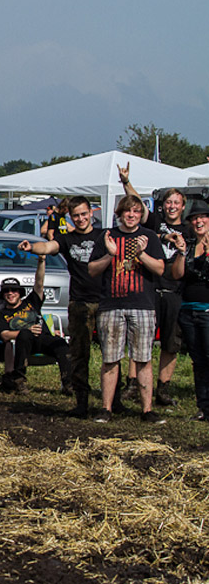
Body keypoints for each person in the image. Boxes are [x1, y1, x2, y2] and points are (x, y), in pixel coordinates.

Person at [19, 196, 105, 417]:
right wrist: (32, 248)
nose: (81, 219)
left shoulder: (103, 236)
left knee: (110, 354)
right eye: (76, 216)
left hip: (106, 301)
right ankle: (81, 401)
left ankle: (110, 402)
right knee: (79, 353)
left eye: (84, 214)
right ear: (71, 217)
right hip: (79, 302)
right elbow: (49, 245)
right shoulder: (67, 239)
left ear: (91, 213)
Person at [88, 194, 166, 424]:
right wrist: (109, 256)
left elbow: (160, 269)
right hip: (111, 305)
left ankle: (147, 410)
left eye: (136, 212)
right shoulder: (107, 236)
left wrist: (141, 254)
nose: (131, 216)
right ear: (119, 214)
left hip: (142, 305)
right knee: (110, 359)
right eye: (127, 211)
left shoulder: (149, 237)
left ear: (140, 215)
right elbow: (92, 269)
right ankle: (106, 408)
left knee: (143, 358)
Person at [121, 166, 190, 407]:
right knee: (141, 339)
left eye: (176, 203)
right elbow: (137, 204)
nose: (172, 206)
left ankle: (163, 389)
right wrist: (126, 182)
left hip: (174, 291)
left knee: (172, 341)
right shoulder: (156, 223)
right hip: (149, 288)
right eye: (169, 202)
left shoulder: (190, 230)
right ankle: (132, 384)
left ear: (183, 206)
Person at [0, 270, 71, 395]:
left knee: (60, 343)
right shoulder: (1, 315)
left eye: (14, 290)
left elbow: (39, 283)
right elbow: (4, 334)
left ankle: (69, 383)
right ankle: (19, 381)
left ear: (20, 293)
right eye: (6, 291)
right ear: (3, 295)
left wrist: (41, 260)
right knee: (25, 334)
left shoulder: (31, 302)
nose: (10, 293)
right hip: (22, 344)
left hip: (43, 339)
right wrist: (26, 330)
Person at [169, 199, 209, 422]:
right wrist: (182, 253)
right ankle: (203, 407)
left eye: (202, 217)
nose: (198, 221)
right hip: (188, 309)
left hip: (207, 310)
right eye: (194, 218)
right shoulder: (190, 244)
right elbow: (176, 274)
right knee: (199, 360)